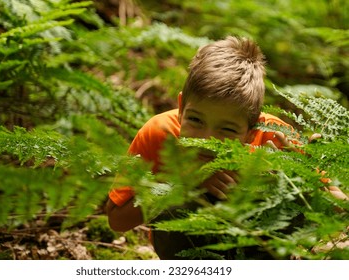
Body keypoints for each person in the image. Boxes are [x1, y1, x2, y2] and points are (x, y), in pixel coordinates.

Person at [105, 36, 347, 259]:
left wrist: (306, 181)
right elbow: (116, 219)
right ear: (181, 107)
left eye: (227, 130)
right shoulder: (159, 133)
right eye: (196, 120)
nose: (207, 138)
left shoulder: (274, 137)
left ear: (252, 130)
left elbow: (339, 208)